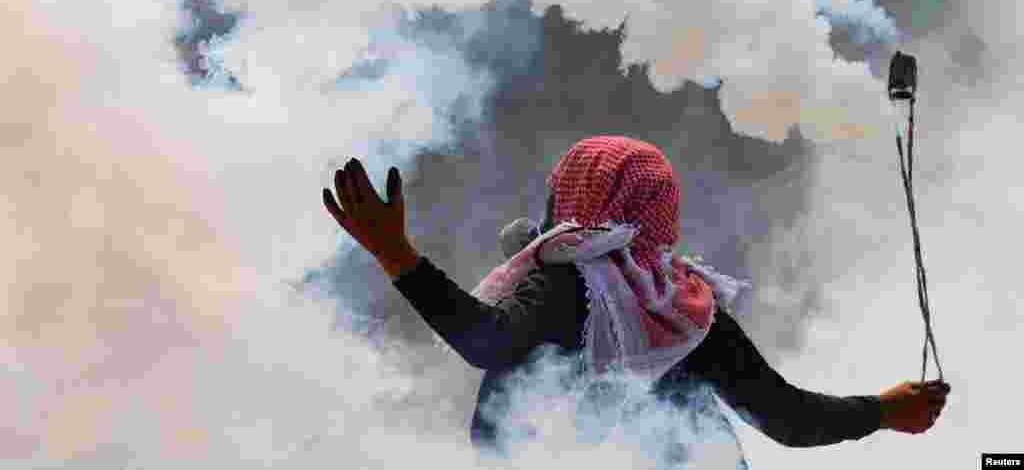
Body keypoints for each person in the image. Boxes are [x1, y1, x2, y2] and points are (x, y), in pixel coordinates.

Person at [322, 136, 949, 465]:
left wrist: (396, 256)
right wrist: (885, 411)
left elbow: (486, 341)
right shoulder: (685, 306)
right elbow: (786, 420)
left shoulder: (565, 284)